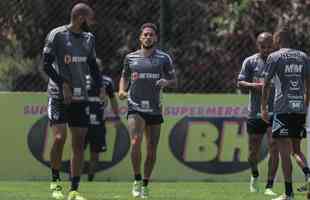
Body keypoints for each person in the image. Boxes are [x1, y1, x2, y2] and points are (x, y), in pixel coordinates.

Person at [42, 3, 104, 200]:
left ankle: (74, 190)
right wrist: (63, 84)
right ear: (80, 18)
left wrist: (101, 86)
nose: (92, 23)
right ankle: (55, 182)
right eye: (90, 19)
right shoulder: (57, 35)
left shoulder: (89, 39)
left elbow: (93, 66)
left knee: (78, 144)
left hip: (81, 97)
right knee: (59, 138)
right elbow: (46, 65)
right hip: (58, 95)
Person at [118, 22, 177, 198]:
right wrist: (121, 90)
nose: (148, 37)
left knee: (151, 149)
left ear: (156, 38)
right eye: (145, 34)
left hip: (155, 108)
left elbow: (173, 79)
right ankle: (136, 180)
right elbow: (124, 77)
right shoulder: (130, 58)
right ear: (140, 37)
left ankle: (145, 184)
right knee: (135, 141)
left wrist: (167, 82)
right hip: (135, 106)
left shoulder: (164, 58)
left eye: (151, 34)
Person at [261, 28, 310, 200]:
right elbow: (308, 87)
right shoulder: (304, 57)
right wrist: (304, 108)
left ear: (278, 39)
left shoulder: (274, 57)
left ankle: (289, 194)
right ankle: (307, 176)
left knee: (284, 152)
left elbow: (266, 84)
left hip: (282, 110)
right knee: (296, 150)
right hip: (299, 110)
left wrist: (263, 108)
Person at [237, 32, 279, 196]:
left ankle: (269, 186)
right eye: (263, 46)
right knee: (252, 151)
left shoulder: (279, 61)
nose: (266, 49)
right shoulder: (250, 61)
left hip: (275, 111)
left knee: (274, 146)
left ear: (274, 45)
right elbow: (240, 83)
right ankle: (254, 175)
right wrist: (255, 85)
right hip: (255, 112)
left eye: (269, 46)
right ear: (258, 46)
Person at [84, 58, 120, 181]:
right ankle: (75, 176)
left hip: (98, 123)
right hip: (82, 122)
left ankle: (90, 178)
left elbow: (113, 100)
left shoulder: (107, 82)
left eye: (97, 66)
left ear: (101, 67)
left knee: (95, 152)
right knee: (78, 149)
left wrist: (117, 115)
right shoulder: (81, 79)